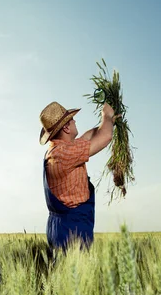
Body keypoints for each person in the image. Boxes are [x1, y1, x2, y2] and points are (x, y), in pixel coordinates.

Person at [39, 100, 119, 252]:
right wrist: (106, 116)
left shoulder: (59, 149)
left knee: (65, 272)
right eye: (71, 119)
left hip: (62, 225)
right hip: (72, 228)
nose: (75, 120)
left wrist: (109, 123)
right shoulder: (63, 154)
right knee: (72, 272)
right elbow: (106, 137)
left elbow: (89, 137)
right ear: (66, 127)